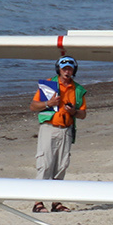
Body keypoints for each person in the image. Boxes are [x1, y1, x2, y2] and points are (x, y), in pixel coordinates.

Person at [28, 57, 82, 211]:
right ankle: (38, 202)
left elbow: (83, 114)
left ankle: (56, 202)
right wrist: (48, 104)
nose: (67, 71)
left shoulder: (77, 89)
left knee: (62, 165)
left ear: (74, 70)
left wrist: (74, 111)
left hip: (66, 130)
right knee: (45, 164)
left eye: (70, 68)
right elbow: (33, 106)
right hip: (49, 127)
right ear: (59, 69)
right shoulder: (49, 85)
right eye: (64, 68)